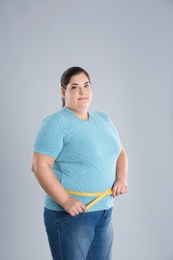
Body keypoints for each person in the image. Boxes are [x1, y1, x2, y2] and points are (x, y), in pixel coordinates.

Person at [31, 66, 128, 260]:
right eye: (75, 87)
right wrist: (65, 200)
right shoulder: (56, 123)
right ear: (63, 91)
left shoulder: (103, 119)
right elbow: (39, 165)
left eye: (86, 85)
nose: (82, 92)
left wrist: (121, 178)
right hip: (71, 216)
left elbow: (120, 152)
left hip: (104, 211)